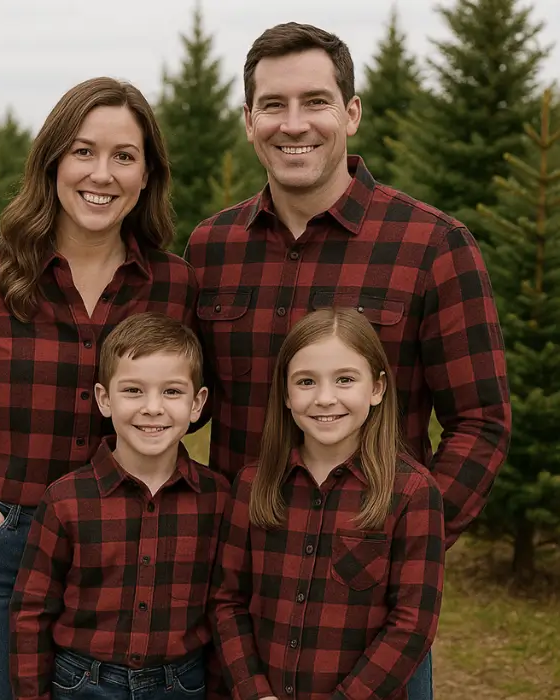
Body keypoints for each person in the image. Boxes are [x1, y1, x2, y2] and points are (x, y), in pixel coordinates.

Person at [184, 23, 511, 699]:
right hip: (239, 609)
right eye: (273, 105)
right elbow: (179, 402)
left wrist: (392, 551)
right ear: (249, 120)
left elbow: (481, 424)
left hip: (368, 620)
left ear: (351, 113)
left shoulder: (433, 243)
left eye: (316, 101)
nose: (293, 124)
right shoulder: (212, 247)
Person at [0, 78, 201, 700]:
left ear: (146, 174)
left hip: (126, 554)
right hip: (0, 556)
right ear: (51, 161)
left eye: (124, 156)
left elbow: (192, 405)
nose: (101, 173)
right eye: (83, 151)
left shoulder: (173, 285)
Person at [210, 308, 445, 700]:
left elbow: (412, 624)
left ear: (377, 388)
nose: (324, 398)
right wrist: (254, 692)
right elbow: (227, 602)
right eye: (306, 381)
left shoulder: (413, 493)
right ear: (285, 394)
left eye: (345, 380)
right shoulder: (253, 485)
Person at [10, 312, 229, 700]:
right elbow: (31, 613)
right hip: (83, 682)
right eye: (133, 391)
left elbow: (222, 607)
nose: (152, 408)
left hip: (181, 683)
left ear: (197, 404)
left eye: (172, 392)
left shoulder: (217, 499)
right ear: (104, 399)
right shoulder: (66, 500)